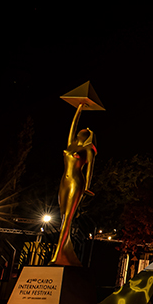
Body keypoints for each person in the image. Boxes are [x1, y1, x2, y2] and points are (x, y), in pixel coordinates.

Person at [51, 106, 97, 265]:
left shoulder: (88, 150)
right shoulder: (71, 143)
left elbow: (90, 170)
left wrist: (87, 187)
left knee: (68, 217)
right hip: (65, 180)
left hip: (77, 182)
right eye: (80, 132)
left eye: (84, 134)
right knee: (63, 216)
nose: (80, 134)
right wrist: (79, 108)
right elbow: (73, 124)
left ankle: (57, 254)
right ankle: (65, 252)